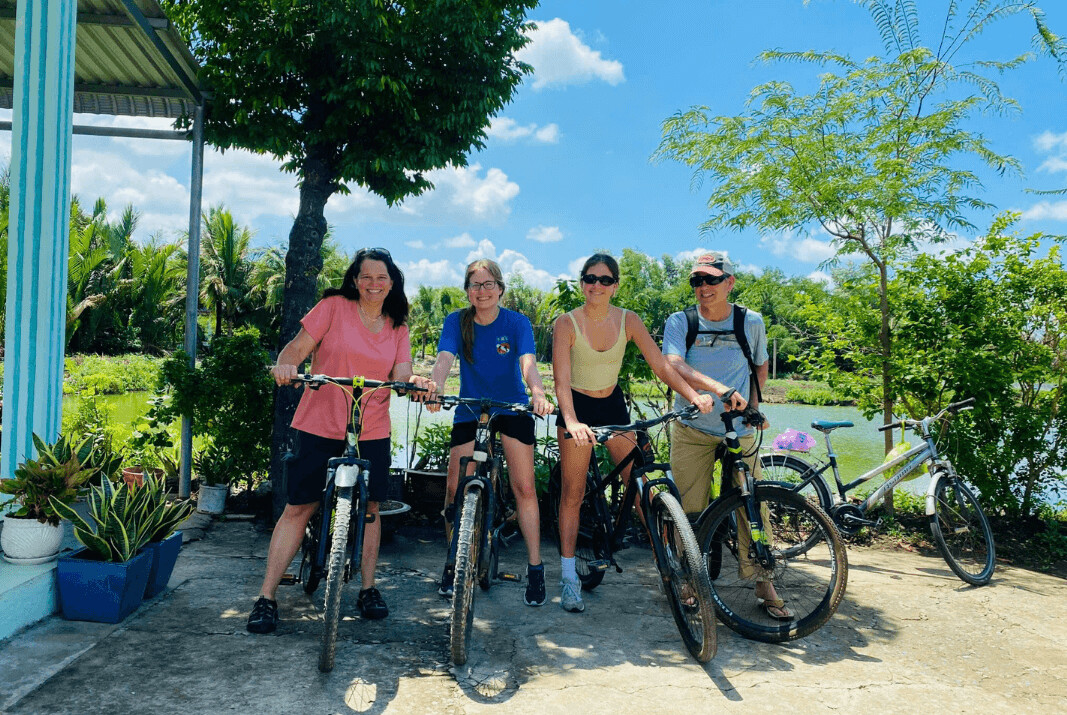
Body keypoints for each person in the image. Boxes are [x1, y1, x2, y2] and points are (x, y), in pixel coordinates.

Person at [246, 247, 435, 634]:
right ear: (354, 280)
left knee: (371, 509)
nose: (373, 284)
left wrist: (413, 382)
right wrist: (287, 365)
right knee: (299, 507)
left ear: (392, 282)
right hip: (319, 421)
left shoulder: (398, 326)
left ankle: (368, 588)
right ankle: (266, 596)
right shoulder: (332, 307)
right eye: (366, 277)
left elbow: (402, 372)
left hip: (372, 427)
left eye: (382, 277)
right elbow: (297, 347)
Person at [552, 253, 714, 613]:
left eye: (605, 279)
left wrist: (693, 396)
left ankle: (675, 572)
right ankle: (568, 579)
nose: (597, 285)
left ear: (616, 285)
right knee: (573, 493)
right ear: (582, 283)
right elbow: (561, 381)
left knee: (642, 489)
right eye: (590, 278)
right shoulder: (566, 323)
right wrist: (573, 421)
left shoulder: (629, 320)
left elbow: (661, 365)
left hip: (612, 406)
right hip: (576, 409)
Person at [661, 251, 791, 620]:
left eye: (711, 280)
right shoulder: (680, 321)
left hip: (739, 428)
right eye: (697, 281)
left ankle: (763, 578)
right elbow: (674, 363)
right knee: (689, 506)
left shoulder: (750, 321)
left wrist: (752, 405)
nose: (703, 288)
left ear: (729, 282)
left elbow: (760, 364)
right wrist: (716, 390)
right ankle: (688, 576)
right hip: (692, 427)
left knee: (754, 502)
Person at [427, 259, 553, 606]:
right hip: (471, 406)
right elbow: (444, 359)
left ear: (499, 288)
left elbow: (528, 363)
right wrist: (436, 386)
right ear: (467, 290)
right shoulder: (457, 321)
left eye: (487, 285)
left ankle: (535, 567)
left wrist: (538, 394)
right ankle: (454, 562)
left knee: (524, 487)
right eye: (474, 285)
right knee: (454, 487)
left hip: (511, 405)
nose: (481, 292)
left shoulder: (517, 322)